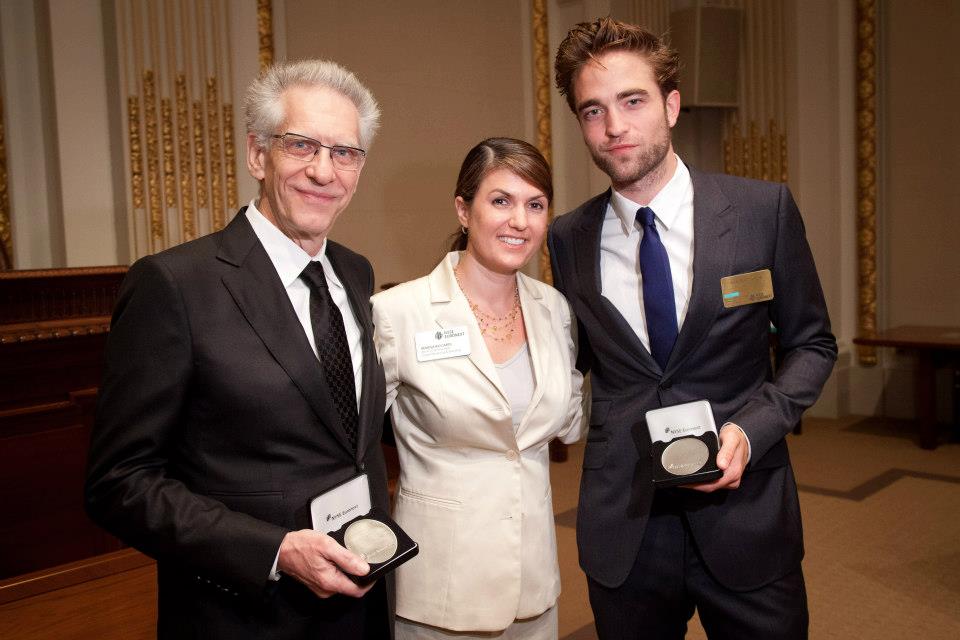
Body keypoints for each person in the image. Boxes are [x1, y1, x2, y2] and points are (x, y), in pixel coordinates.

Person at [548, 18, 837, 640]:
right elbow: (571, 360)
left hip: (745, 509)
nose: (615, 126)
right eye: (593, 111)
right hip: (626, 518)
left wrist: (752, 431)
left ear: (671, 105)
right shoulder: (567, 237)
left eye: (633, 101)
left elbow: (812, 344)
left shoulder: (762, 210)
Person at [84, 59, 391, 639]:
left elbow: (345, 435)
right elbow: (120, 483)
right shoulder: (174, 285)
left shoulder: (355, 273)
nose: (323, 170)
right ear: (257, 154)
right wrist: (273, 551)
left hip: (359, 603)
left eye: (344, 152)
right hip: (245, 616)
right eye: (301, 145)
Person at [371, 137, 585, 639]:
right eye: (501, 200)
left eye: (535, 205)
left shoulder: (554, 309)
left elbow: (570, 423)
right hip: (440, 588)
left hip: (535, 585)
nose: (520, 221)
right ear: (464, 210)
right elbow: (352, 447)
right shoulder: (398, 314)